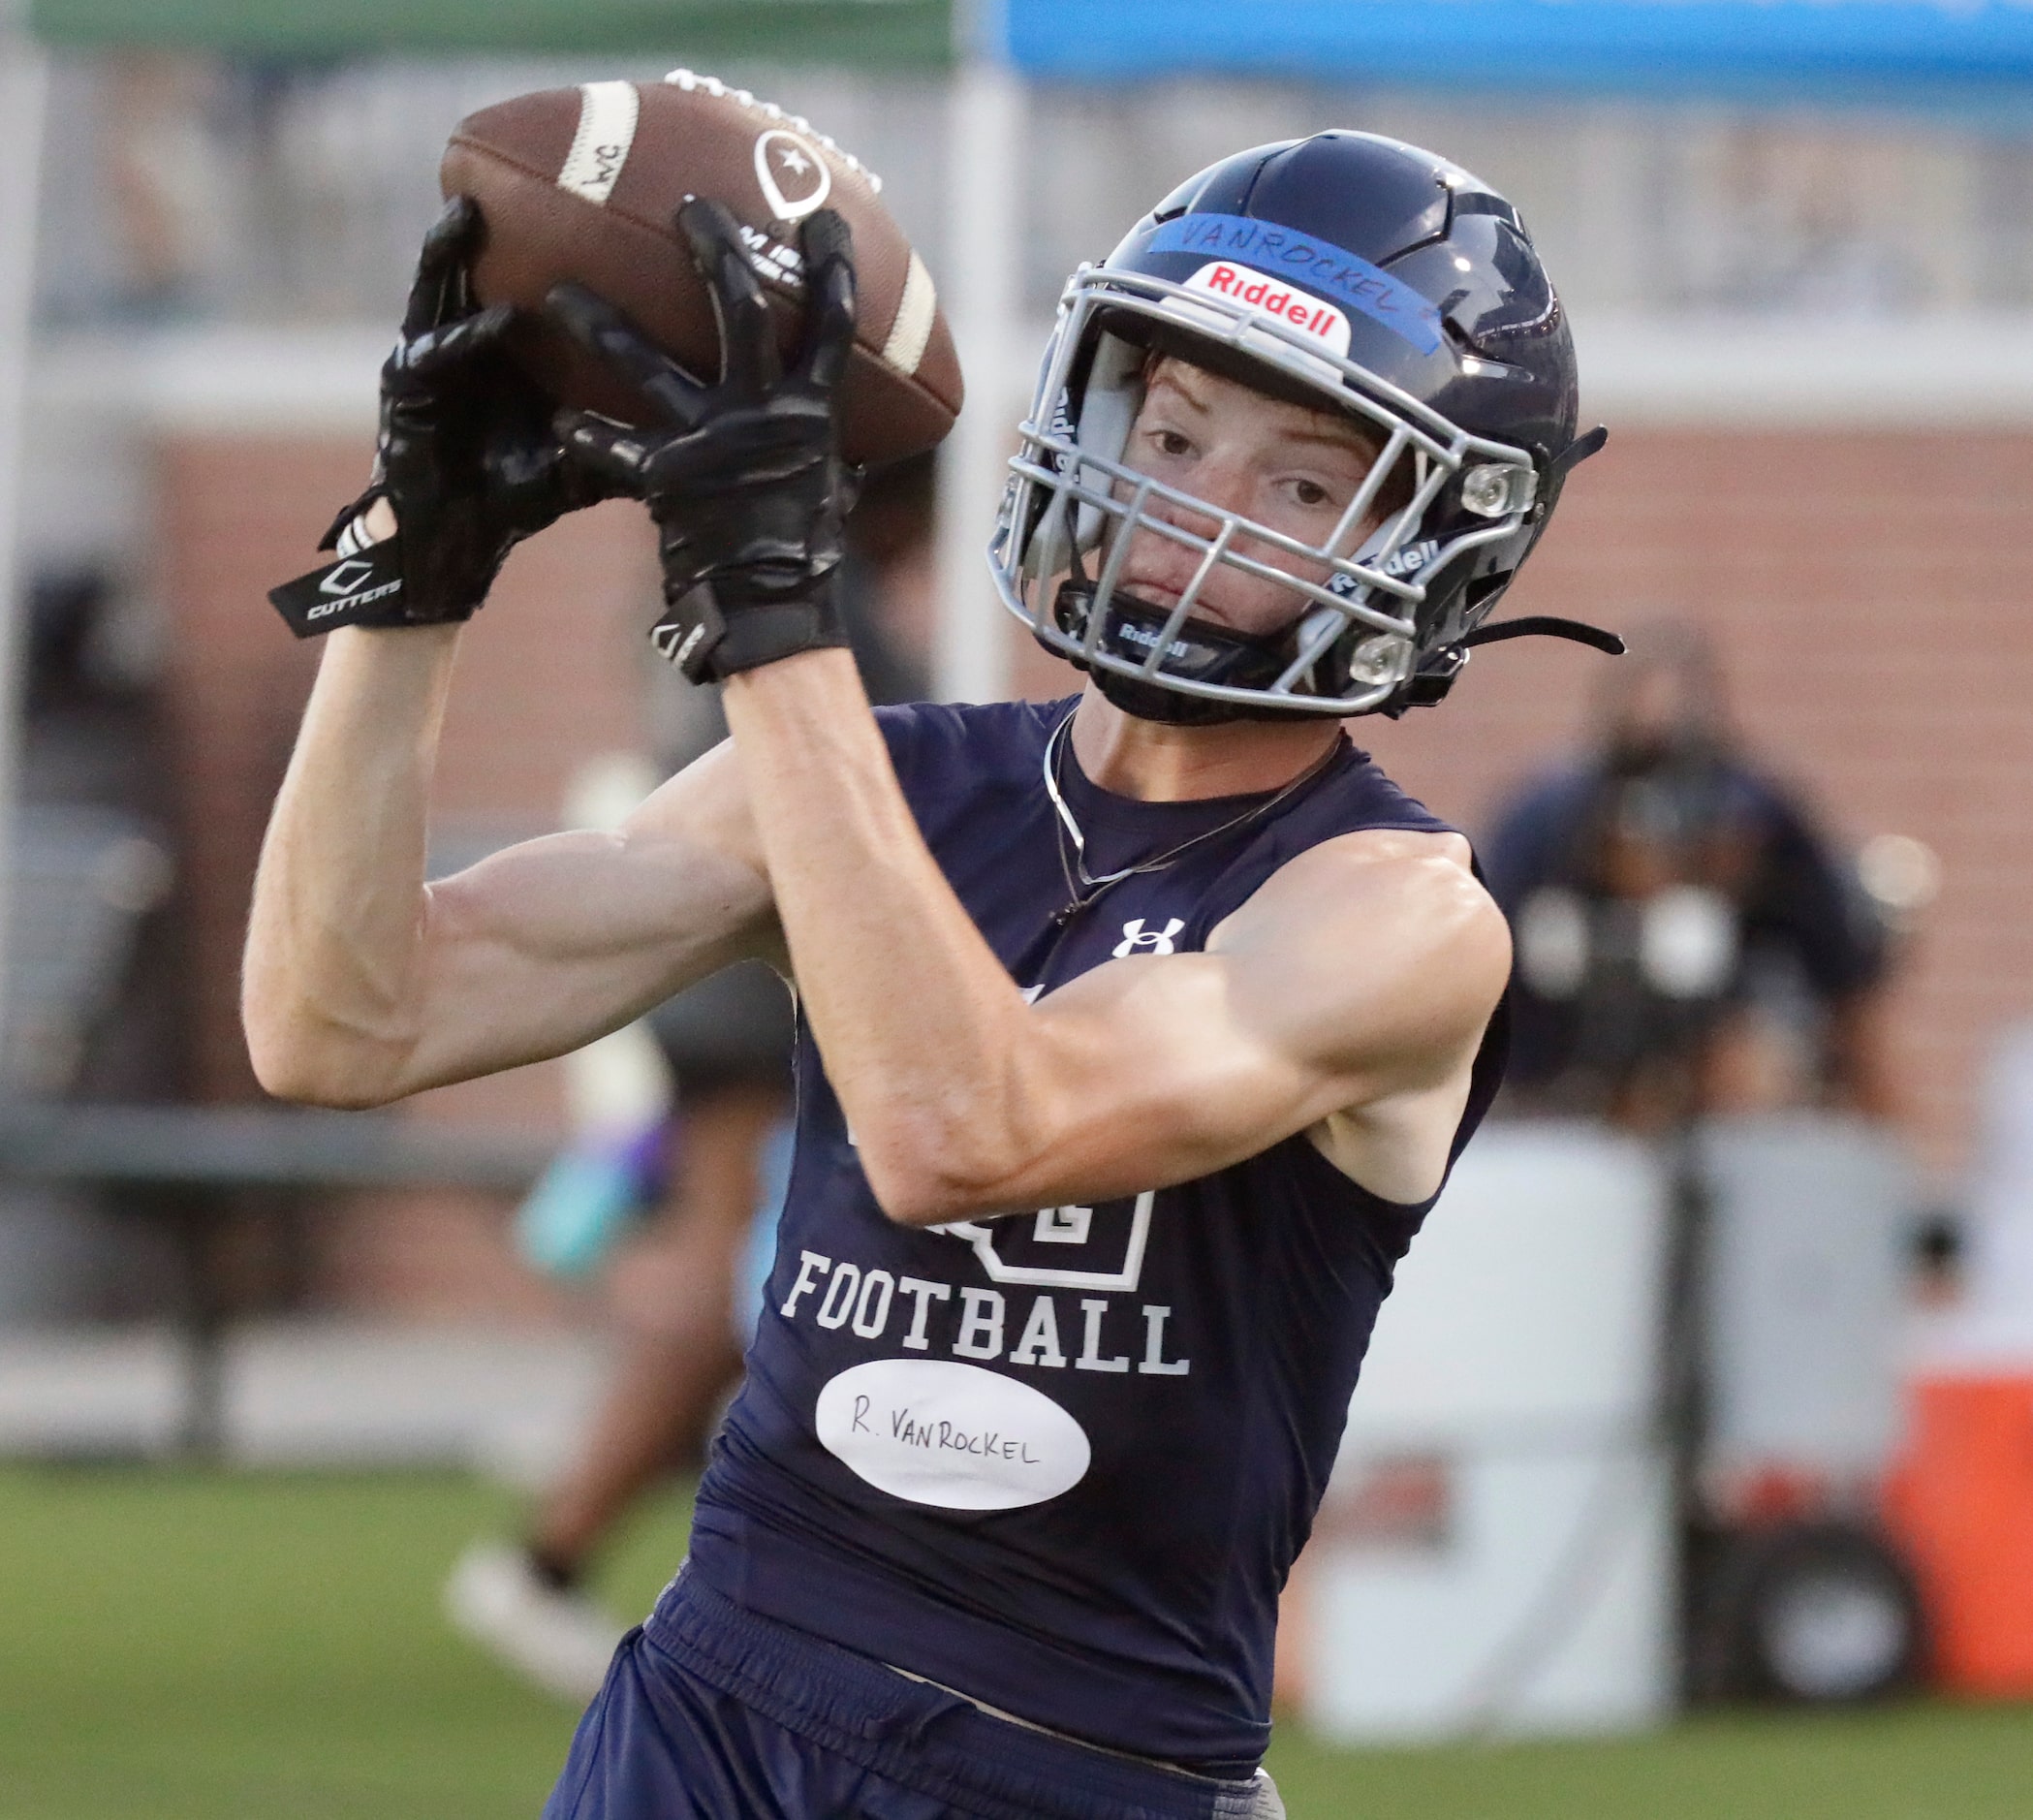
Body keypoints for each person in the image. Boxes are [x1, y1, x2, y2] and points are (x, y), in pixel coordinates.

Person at [246, 127, 1610, 1820]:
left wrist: (770, 600)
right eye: (1171, 432)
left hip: (1072, 1765)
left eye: (1297, 481)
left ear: (1438, 536)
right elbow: (341, 1017)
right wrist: (410, 576)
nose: (1190, 507)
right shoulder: (886, 776)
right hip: (713, 1698)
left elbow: (967, 1126)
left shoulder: (1399, 912)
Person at [449, 463, 933, 1703]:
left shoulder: (713, 592)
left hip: (721, 993)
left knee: (751, 1285)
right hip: (763, 998)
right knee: (744, 1291)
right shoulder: (828, 624)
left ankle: (585, 1550)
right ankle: (550, 1556)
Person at [1482, 620, 1895, 1130]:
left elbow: (1849, 999)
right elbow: (1486, 1011)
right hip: (1555, 1082)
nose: (1662, 863)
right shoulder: (1542, 834)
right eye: (1637, 836)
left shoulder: (1771, 832)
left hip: (1726, 1081)